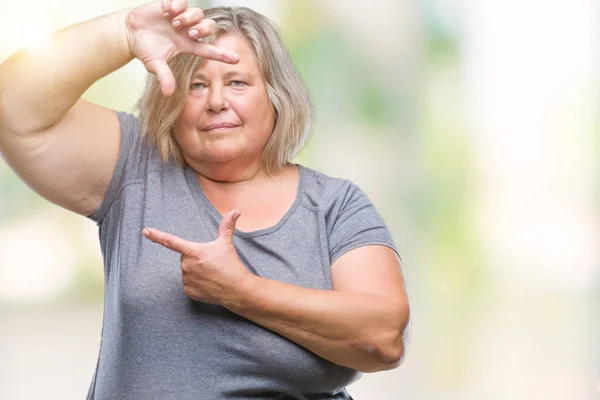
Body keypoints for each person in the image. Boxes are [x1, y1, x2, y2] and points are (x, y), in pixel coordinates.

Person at [0, 1, 410, 399]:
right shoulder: (135, 164)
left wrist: (240, 291)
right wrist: (125, 32)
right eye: (197, 84)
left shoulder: (335, 205)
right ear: (172, 99)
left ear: (276, 96)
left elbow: (384, 337)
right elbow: (12, 105)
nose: (216, 101)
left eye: (237, 82)